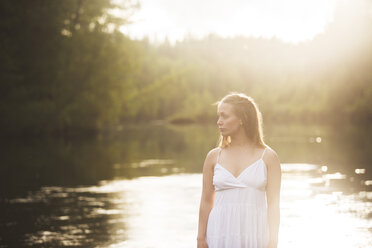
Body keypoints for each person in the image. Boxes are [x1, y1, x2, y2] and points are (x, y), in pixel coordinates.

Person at [197, 92, 281, 248]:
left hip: (255, 233)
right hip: (219, 232)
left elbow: (274, 205)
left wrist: (273, 241)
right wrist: (200, 238)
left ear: (242, 118)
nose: (219, 122)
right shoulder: (213, 157)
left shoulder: (268, 157)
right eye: (218, 116)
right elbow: (206, 201)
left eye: (225, 116)